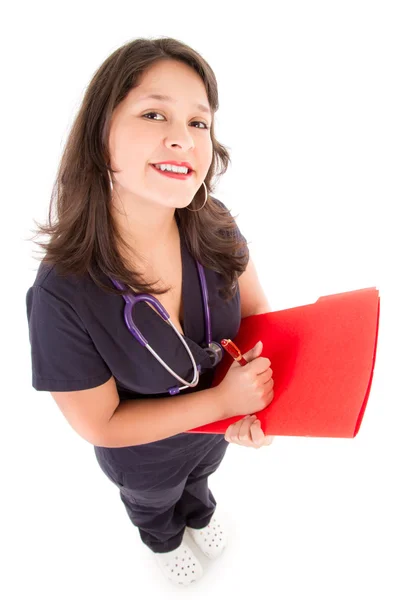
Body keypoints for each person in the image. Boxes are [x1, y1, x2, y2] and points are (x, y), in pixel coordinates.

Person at [25, 37, 274, 587]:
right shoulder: (62, 293)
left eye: (199, 122)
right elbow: (102, 424)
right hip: (144, 456)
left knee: (203, 478)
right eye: (154, 113)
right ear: (100, 134)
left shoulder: (216, 223)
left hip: (216, 434)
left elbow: (258, 321)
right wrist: (221, 400)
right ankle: (160, 539)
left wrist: (256, 411)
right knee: (154, 500)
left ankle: (202, 511)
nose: (182, 139)